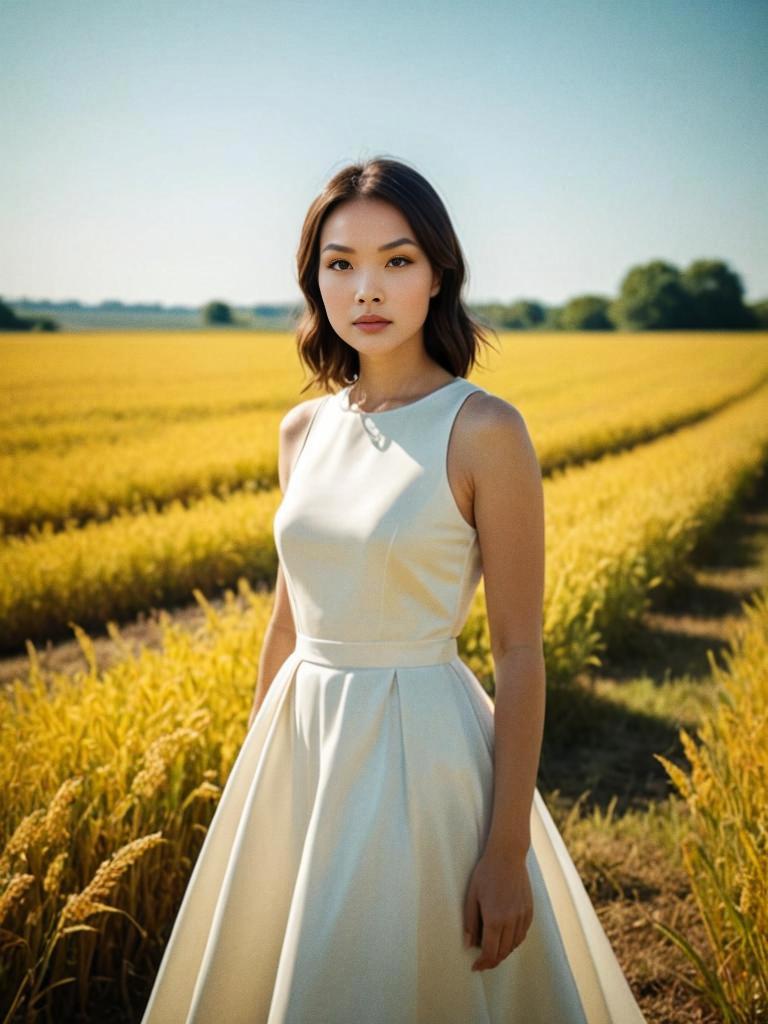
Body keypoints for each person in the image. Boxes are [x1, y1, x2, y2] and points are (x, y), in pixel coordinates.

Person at [140, 156, 646, 1023]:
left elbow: (520, 654)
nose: (366, 287)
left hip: (423, 758)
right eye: (341, 263)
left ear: (439, 273)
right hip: (301, 751)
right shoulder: (301, 429)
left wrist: (507, 850)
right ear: (315, 279)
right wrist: (256, 786)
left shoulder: (485, 428)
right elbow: (289, 627)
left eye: (397, 260)